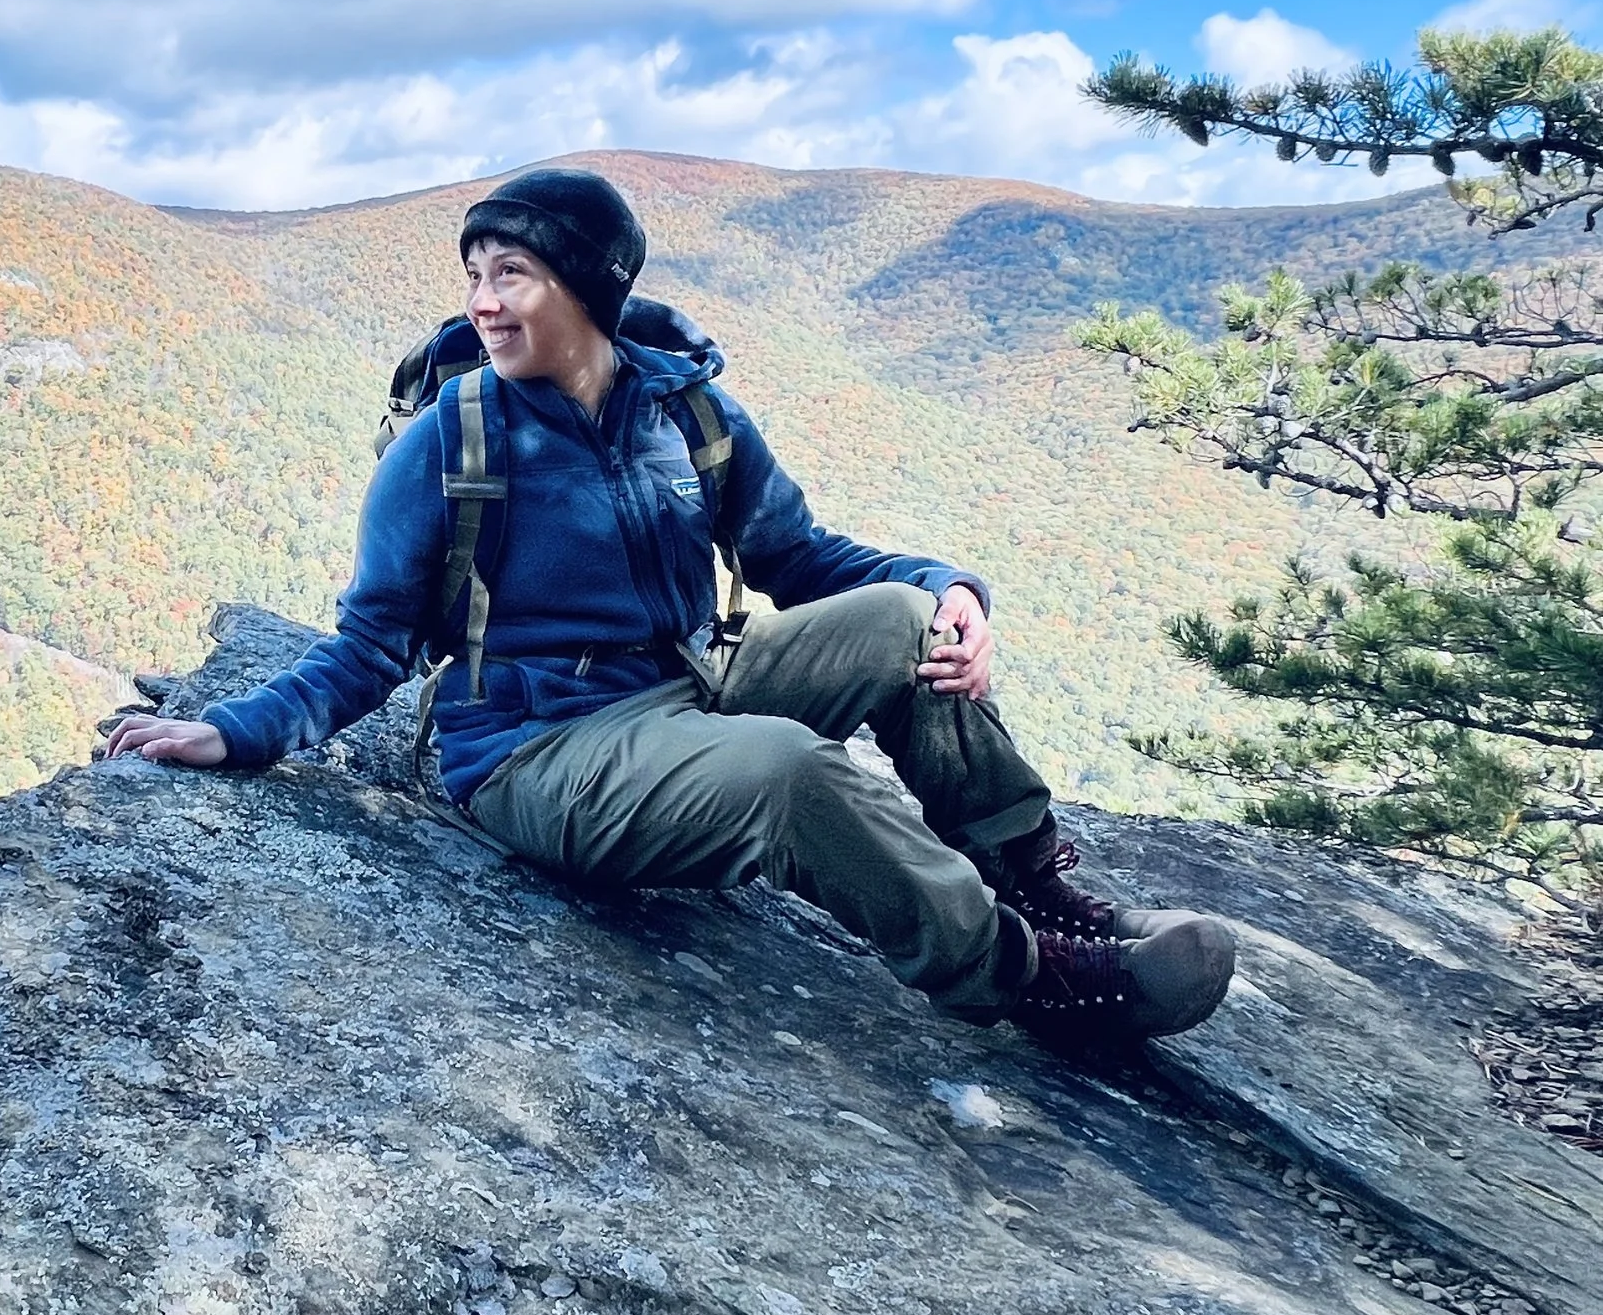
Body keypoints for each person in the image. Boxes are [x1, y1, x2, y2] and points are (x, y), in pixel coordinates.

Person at [101, 168, 1236, 1041]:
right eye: (474, 276)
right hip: (540, 749)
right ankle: (1027, 979)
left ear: (591, 287)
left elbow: (799, 552)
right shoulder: (452, 447)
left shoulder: (686, 415)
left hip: (689, 680)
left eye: (514, 275)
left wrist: (949, 591)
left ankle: (1035, 879)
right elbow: (372, 646)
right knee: (790, 775)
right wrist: (233, 730)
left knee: (902, 626)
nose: (484, 304)